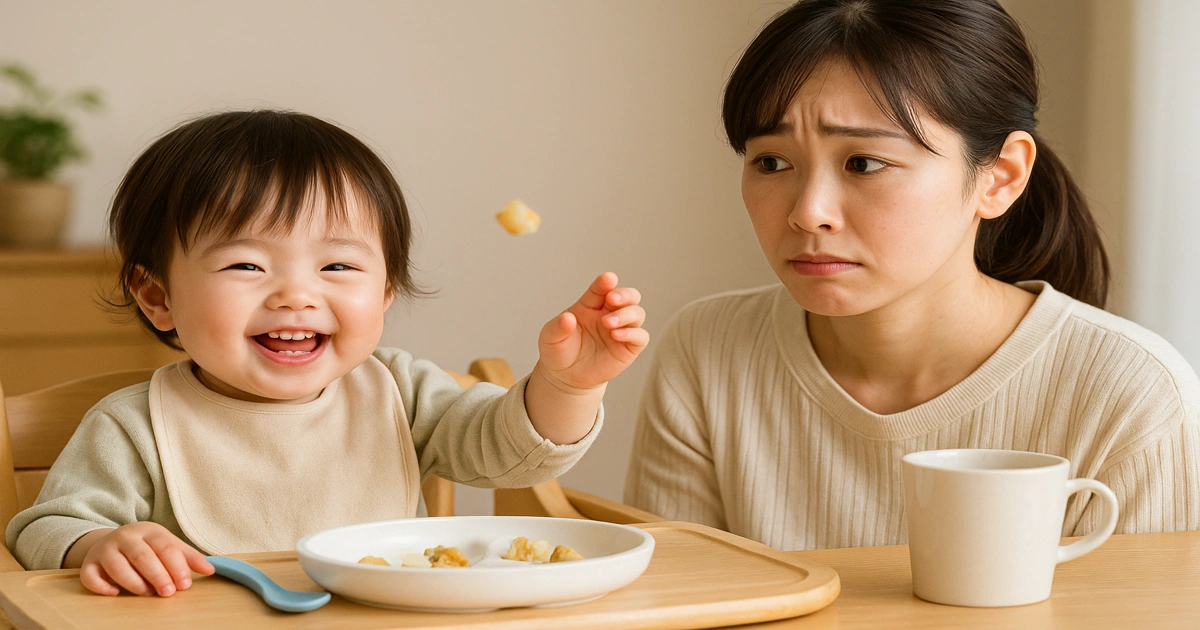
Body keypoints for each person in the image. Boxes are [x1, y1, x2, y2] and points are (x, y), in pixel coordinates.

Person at [624, 0, 1200, 551]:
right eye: (771, 162)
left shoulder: (1133, 394)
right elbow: (677, 606)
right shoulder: (708, 350)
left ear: (999, 176)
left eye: (864, 163)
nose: (807, 211)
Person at [6, 110, 648, 596]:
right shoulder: (135, 423)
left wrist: (567, 388)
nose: (295, 294)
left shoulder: (400, 391)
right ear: (156, 296)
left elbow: (509, 454)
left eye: (338, 264)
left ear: (387, 290)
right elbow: (42, 527)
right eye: (246, 263)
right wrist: (99, 542)